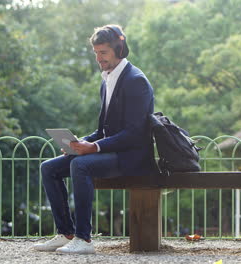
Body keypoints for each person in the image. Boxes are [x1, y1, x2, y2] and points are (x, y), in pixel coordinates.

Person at [33, 24, 158, 254]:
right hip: (113, 152)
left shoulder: (135, 81)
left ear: (119, 50)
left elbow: (134, 134)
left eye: (104, 53)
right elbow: (103, 130)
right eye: (96, 53)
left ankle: (84, 239)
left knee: (80, 165)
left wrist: (94, 148)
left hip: (133, 158)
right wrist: (79, 143)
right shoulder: (107, 80)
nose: (99, 59)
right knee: (48, 168)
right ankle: (66, 233)